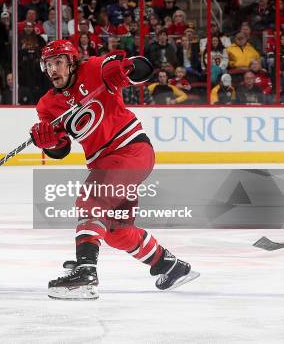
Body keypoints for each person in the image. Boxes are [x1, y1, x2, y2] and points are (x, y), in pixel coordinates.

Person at [31, 40, 198, 300]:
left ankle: (86, 273)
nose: (53, 70)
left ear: (72, 62)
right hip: (107, 163)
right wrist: (48, 141)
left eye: (58, 63)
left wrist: (126, 69)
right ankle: (170, 266)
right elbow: (60, 150)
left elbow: (143, 69)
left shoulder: (95, 68)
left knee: (90, 201)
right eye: (48, 64)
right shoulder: (47, 105)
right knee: (117, 232)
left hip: (131, 150)